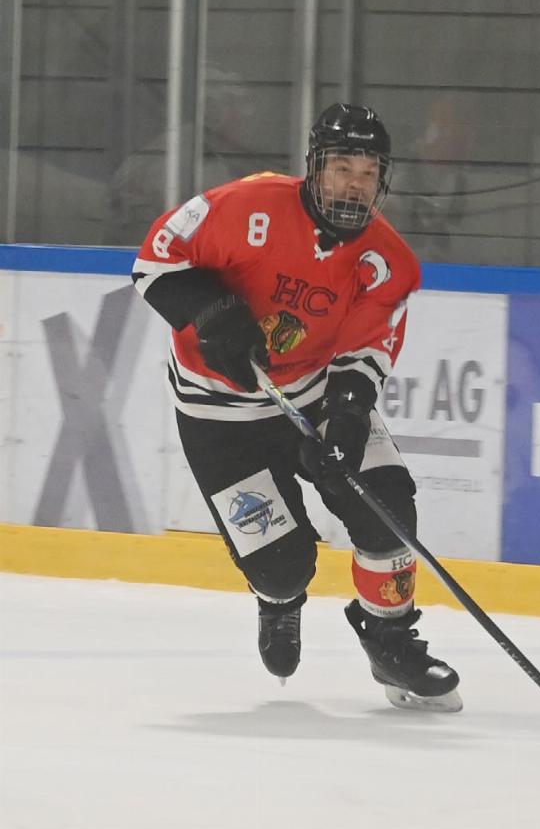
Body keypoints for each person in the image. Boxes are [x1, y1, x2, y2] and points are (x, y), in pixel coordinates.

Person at [131, 103, 461, 712]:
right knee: (283, 567)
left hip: (308, 395)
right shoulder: (245, 206)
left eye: (368, 171)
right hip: (218, 414)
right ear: (313, 168)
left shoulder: (388, 261)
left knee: (387, 507)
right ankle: (279, 600)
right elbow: (154, 263)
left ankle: (389, 639)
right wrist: (211, 312)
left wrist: (348, 419)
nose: (354, 184)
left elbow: (366, 352)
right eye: (342, 167)